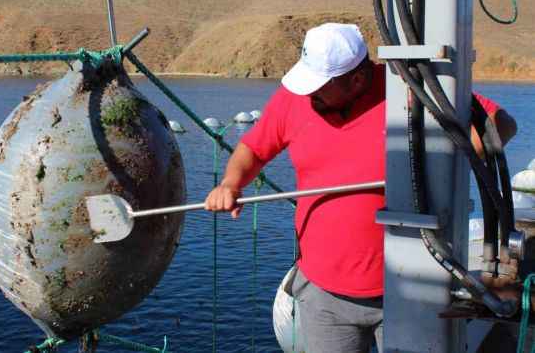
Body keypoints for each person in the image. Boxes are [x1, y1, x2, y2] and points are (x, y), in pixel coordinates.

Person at [204, 23, 517, 353]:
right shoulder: (295, 99)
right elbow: (253, 149)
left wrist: (443, 162)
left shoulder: (408, 87)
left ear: (357, 79)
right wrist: (231, 183)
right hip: (323, 295)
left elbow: (500, 123)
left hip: (410, 292)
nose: (311, 94)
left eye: (321, 86)